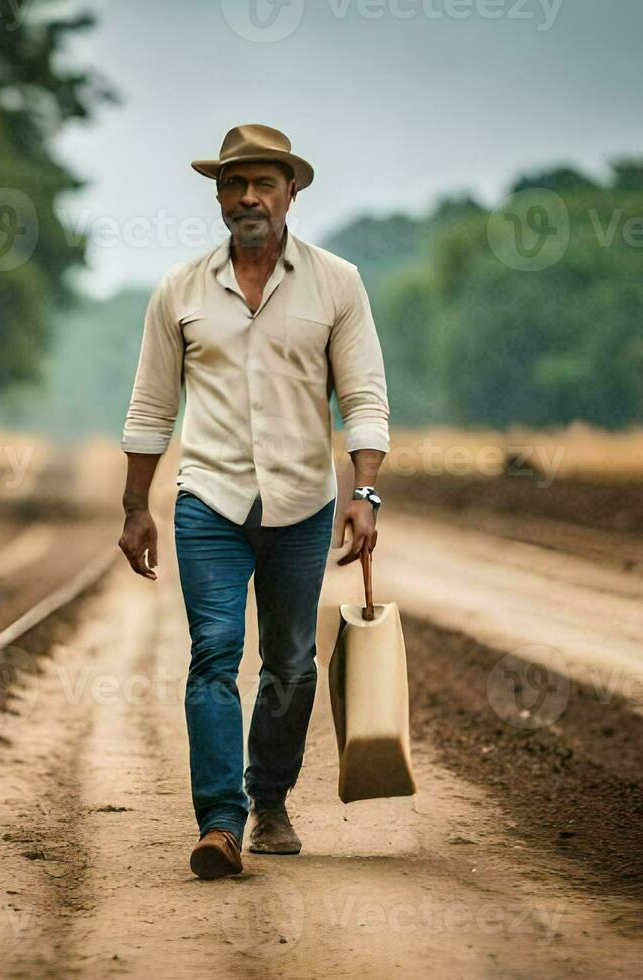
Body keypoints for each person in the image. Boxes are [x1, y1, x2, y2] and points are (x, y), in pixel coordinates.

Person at [117, 124, 390, 880]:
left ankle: (270, 797)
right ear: (217, 194)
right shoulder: (180, 289)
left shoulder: (338, 282)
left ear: (291, 192)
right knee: (213, 654)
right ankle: (220, 822)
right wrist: (136, 507)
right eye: (235, 184)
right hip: (209, 500)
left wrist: (364, 493)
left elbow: (364, 398)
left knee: (293, 663)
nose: (248, 197)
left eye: (263, 183)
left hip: (303, 503)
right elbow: (150, 407)